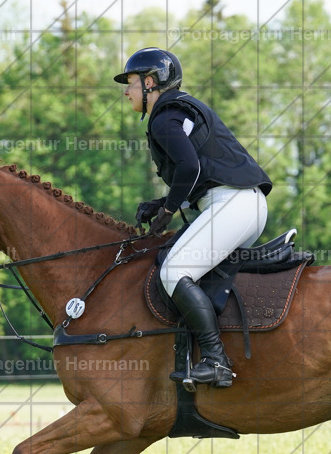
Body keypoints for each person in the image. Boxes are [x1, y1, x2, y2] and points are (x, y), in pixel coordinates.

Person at [115, 47, 272, 389]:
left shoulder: (164, 115)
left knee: (174, 271)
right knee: (186, 270)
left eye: (130, 83)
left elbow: (189, 167)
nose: (126, 92)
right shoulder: (176, 110)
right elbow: (199, 175)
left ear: (150, 82)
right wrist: (162, 203)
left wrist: (169, 210)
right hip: (238, 203)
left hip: (234, 204)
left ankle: (216, 360)